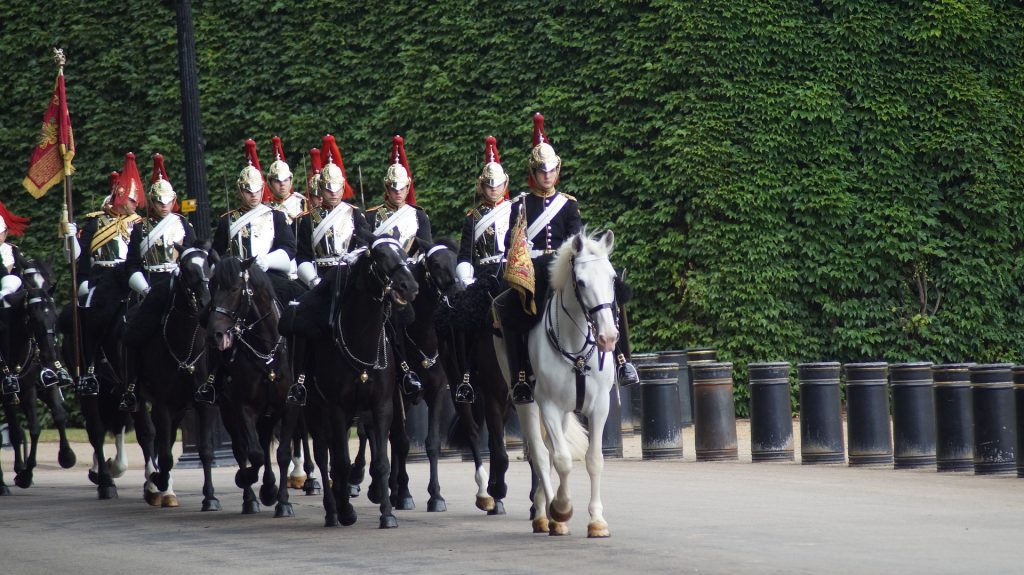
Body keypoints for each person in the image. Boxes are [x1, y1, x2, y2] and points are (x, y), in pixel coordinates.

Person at [497, 113, 637, 404]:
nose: (547, 175)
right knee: (508, 306)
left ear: (557, 170)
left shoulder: (568, 204)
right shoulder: (520, 203)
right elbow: (513, 240)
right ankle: (521, 376)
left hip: (563, 267)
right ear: (533, 172)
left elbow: (577, 239)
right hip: (533, 270)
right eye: (541, 171)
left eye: (551, 170)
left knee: (614, 294)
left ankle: (623, 361)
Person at [287, 135, 372, 405]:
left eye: (338, 187)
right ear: (320, 189)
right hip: (321, 282)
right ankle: (299, 381)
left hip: (351, 280)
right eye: (329, 188)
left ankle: (403, 371)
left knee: (388, 321)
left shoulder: (355, 213)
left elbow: (364, 247)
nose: (334, 192)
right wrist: (312, 281)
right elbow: (301, 257)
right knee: (300, 322)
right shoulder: (305, 221)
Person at [119, 153, 197, 411]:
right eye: (159, 201)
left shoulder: (184, 224)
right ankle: (131, 386)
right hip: (152, 287)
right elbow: (132, 265)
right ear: (152, 202)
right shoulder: (140, 228)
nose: (164, 206)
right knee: (131, 331)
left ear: (174, 201)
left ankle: (210, 381)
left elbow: (194, 259)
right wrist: (145, 288)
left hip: (180, 286)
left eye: (168, 201)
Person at [64, 154, 145, 395]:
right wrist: (69, 235)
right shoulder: (94, 223)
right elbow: (77, 257)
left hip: (131, 275)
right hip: (102, 278)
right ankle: (89, 367)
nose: (135, 203)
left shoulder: (141, 222)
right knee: (88, 313)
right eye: (132, 198)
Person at [365, 135, 432, 397]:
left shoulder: (418, 214)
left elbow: (425, 249)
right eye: (393, 188)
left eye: (402, 187)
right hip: (386, 282)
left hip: (412, 276)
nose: (398, 192)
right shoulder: (371, 215)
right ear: (387, 188)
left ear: (408, 186)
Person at [450, 136, 513, 403]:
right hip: (485, 276)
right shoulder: (472, 218)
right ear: (482, 187)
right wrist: (466, 277)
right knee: (466, 319)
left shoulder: (515, 209)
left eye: (498, 185)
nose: (494, 189)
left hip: (511, 272)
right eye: (489, 185)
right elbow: (465, 255)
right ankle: (466, 377)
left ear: (505, 184)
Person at [0, 202, 33, 395]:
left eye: (2, 232)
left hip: (14, 299)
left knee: (39, 319)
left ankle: (50, 368)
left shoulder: (13, 250)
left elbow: (22, 275)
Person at [265, 135, 307, 233]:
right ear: (270, 183)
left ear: (291, 181)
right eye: (277, 181)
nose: (282, 184)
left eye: (285, 180)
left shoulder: (302, 202)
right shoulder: (265, 206)